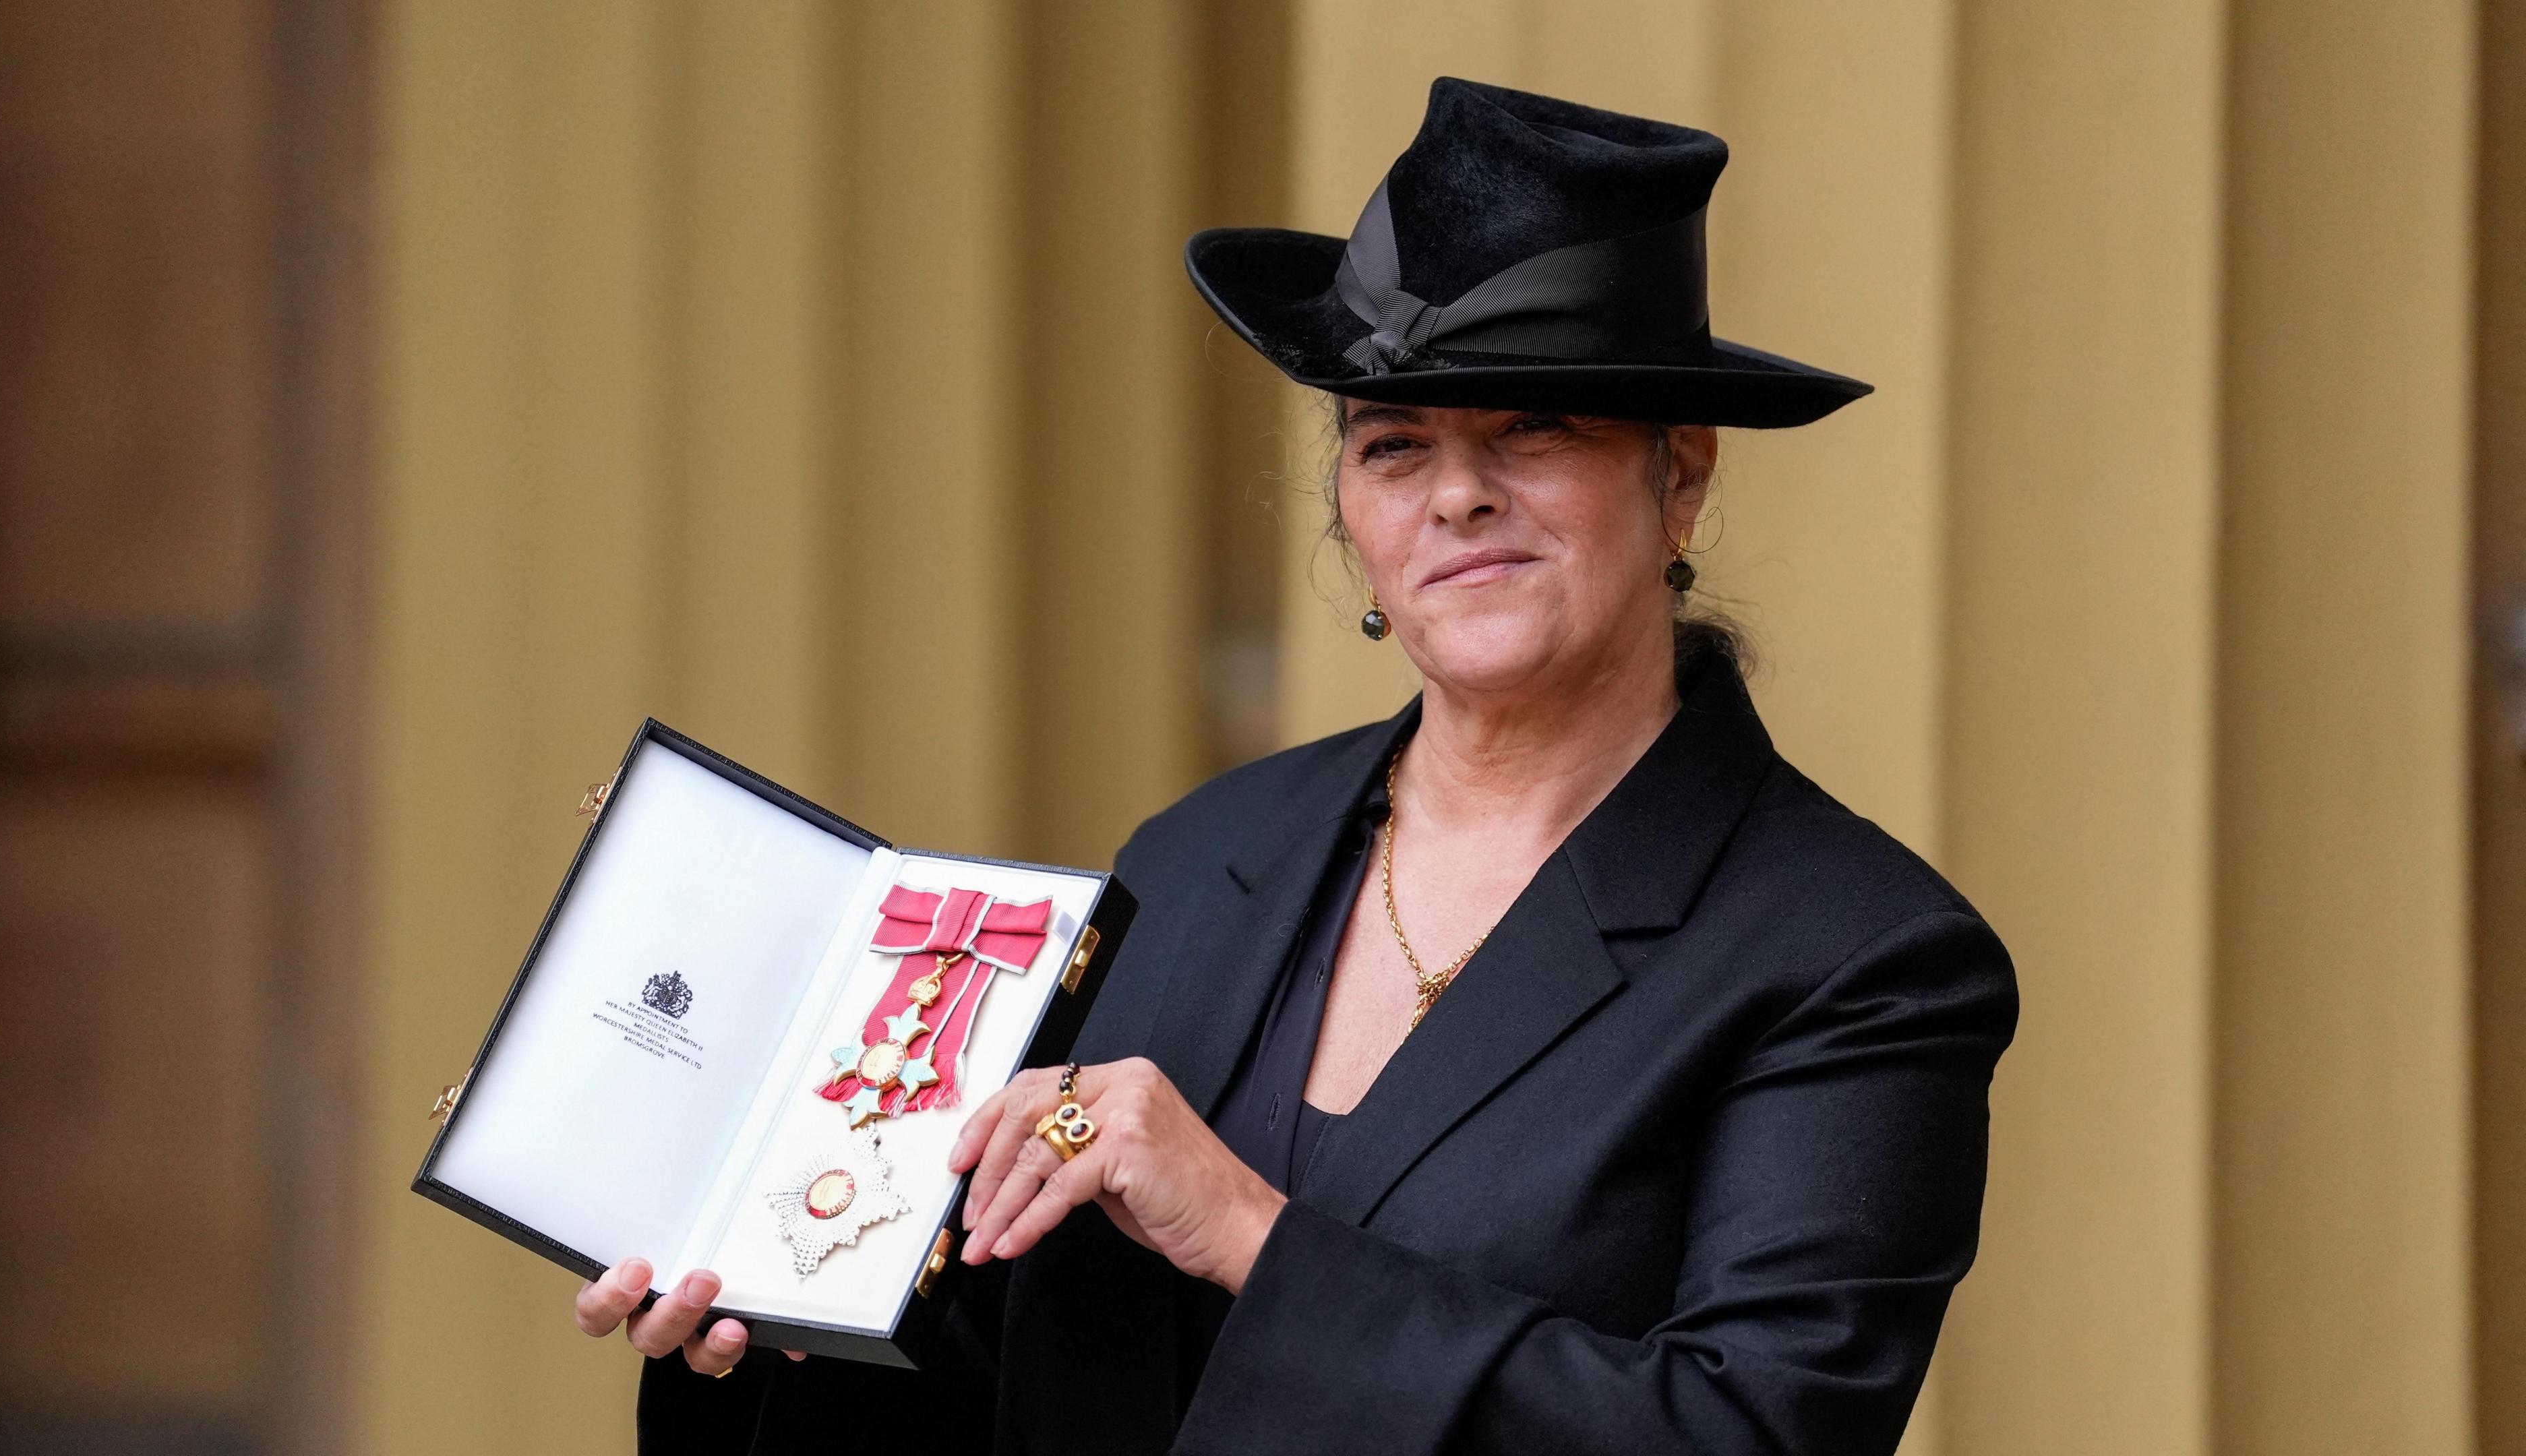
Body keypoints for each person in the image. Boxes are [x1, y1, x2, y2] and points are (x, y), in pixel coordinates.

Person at [584, 77, 2018, 1455]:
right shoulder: (1200, 853)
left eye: (1536, 423)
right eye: (1396, 444)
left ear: (1681, 469)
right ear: (1352, 513)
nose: (1458, 492)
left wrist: (1255, 1240)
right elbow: (1003, 1385)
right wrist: (776, 1322)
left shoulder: (1858, 956)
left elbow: (1749, 1433)